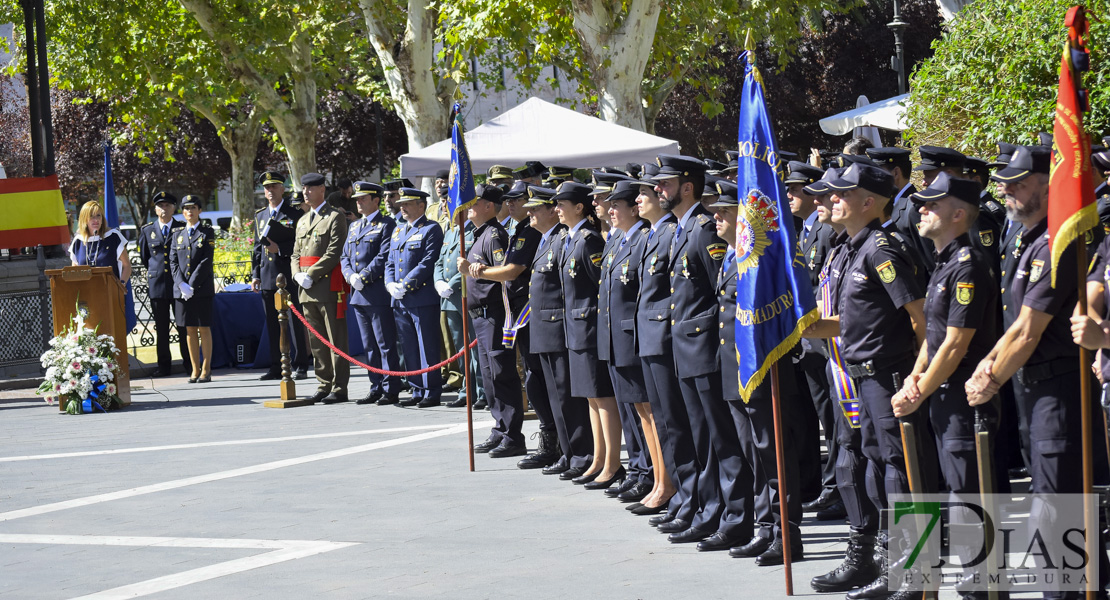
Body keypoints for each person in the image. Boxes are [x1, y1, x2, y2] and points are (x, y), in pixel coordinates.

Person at [973, 145, 1110, 594]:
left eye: (1019, 182)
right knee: (1054, 509)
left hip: (1058, 392)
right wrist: (990, 365)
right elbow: (1013, 326)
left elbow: (1029, 330)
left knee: (1055, 512)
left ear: (1049, 184)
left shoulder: (1057, 242)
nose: (1007, 190)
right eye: (1005, 184)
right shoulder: (1026, 239)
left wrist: (988, 377)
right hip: (1033, 391)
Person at [802, 163, 930, 598]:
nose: (829, 199)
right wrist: (804, 328)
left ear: (869, 202)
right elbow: (859, 319)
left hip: (888, 377)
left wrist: (916, 375)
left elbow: (920, 318)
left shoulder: (881, 249)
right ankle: (891, 565)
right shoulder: (850, 248)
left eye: (840, 193)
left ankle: (913, 572)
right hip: (858, 377)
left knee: (900, 473)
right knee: (876, 471)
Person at [891, 173, 1000, 592]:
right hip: (942, 395)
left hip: (961, 400)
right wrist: (915, 379)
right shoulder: (944, 264)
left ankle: (982, 585)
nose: (921, 208)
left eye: (932, 204)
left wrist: (920, 391)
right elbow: (933, 340)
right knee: (955, 492)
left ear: (958, 214)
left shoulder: (968, 266)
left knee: (968, 493)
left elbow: (956, 345)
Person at [653, 155, 752, 552]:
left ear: (687, 185)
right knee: (698, 436)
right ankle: (708, 507)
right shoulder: (682, 229)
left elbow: (721, 293)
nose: (658, 189)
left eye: (665, 183)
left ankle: (730, 515)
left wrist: (705, 337)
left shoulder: (703, 229)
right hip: (685, 346)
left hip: (707, 347)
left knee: (720, 440)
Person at [472, 183, 553, 468]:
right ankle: (547, 439)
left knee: (535, 378)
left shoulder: (520, 232)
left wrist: (480, 272)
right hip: (518, 313)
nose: (514, 205)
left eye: (518, 200)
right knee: (530, 378)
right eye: (511, 201)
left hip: (528, 312)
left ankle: (549, 440)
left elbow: (513, 271)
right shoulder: (520, 231)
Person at [549, 181, 623, 485]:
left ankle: (612, 463)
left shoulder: (588, 240)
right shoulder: (570, 239)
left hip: (590, 329)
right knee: (591, 398)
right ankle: (599, 458)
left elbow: (600, 288)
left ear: (578, 207)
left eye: (561, 204)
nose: (556, 210)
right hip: (576, 330)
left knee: (602, 398)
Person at [785, 160, 845, 520]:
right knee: (824, 414)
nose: (790, 195)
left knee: (835, 417)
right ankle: (832, 483)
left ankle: (837, 486)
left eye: (796, 189)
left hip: (825, 339)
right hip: (810, 337)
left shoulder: (823, 232)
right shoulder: (806, 230)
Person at [633, 165, 692, 518]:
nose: (654, 192)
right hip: (652, 335)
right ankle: (677, 490)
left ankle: (899, 565)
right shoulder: (656, 233)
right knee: (668, 421)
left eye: (661, 185)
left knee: (678, 423)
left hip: (670, 336)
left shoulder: (675, 232)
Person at [521, 184, 592, 474]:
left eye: (536, 209)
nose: (529, 214)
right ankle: (567, 453)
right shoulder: (545, 240)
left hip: (561, 328)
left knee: (567, 398)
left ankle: (581, 455)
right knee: (555, 397)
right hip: (544, 328)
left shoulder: (565, 240)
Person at [600, 180, 660, 506]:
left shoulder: (643, 240)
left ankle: (650, 472)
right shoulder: (619, 242)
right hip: (616, 338)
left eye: (615, 206)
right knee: (633, 411)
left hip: (632, 338)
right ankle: (640, 469)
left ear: (633, 209)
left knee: (645, 410)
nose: (609, 211)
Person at [460, 184, 527, 457]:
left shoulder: (494, 235)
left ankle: (512, 434)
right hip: (481, 316)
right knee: (488, 377)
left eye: (474, 202)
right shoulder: (478, 234)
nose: (469, 207)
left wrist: (478, 272)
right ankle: (500, 427)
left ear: (489, 206)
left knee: (502, 374)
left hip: (494, 315)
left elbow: (504, 275)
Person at [291, 172, 350, 404]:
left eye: (310, 188)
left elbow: (334, 251)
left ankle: (339, 387)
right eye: (304, 188)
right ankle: (323, 383)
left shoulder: (335, 217)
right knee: (316, 340)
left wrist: (311, 274)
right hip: (306, 288)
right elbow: (295, 253)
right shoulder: (303, 220)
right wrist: (297, 274)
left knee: (336, 339)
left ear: (322, 189)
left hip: (326, 286)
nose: (305, 192)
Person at [341, 181, 402, 406]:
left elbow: (384, 256)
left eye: (363, 198)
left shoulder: (387, 224)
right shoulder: (355, 226)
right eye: (357, 199)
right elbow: (344, 256)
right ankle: (375, 385)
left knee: (385, 343)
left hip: (376, 293)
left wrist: (363, 277)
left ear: (376, 200)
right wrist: (349, 276)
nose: (358, 202)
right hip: (358, 294)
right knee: (369, 345)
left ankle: (390, 387)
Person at [386, 188, 445, 408]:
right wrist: (390, 284)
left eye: (408, 203)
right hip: (400, 299)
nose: (402, 207)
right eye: (401, 203)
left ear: (421, 205)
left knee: (426, 346)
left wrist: (405, 285)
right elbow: (390, 262)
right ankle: (417, 388)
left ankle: (431, 390)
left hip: (421, 297)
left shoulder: (431, 229)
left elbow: (428, 262)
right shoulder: (398, 230)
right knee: (409, 346)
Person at [252, 171, 310, 381]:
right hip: (268, 276)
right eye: (267, 188)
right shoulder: (260, 215)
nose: (270, 191)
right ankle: (276, 365)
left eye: (274, 187)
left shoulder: (294, 214)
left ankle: (301, 364)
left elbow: (301, 244)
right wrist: (255, 275)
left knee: (295, 321)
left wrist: (281, 249)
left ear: (282, 188)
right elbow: (257, 249)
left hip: (287, 274)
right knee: (272, 323)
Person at [138, 192, 188, 377]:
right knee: (162, 327)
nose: (164, 209)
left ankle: (189, 364)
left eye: (167, 205)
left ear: (174, 208)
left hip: (178, 284)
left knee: (183, 326)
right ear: (155, 209)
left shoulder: (181, 228)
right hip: (157, 284)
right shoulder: (147, 230)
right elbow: (145, 258)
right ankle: (164, 366)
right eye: (160, 205)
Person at [169, 195, 215, 384]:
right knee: (189, 329)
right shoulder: (177, 234)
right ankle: (194, 369)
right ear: (183, 212)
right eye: (186, 208)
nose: (190, 212)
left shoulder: (207, 232)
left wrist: (192, 285)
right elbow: (172, 261)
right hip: (182, 290)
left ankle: (206, 368)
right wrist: (181, 284)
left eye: (193, 208)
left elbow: (206, 261)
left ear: (200, 210)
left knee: (203, 327)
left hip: (201, 289)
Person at [70, 201, 131, 283]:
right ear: (84, 219)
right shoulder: (78, 241)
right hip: (86, 293)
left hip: (110, 292)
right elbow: (74, 271)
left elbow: (126, 266)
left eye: (98, 216)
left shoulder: (113, 236)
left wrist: (121, 284)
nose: (96, 220)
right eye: (91, 216)